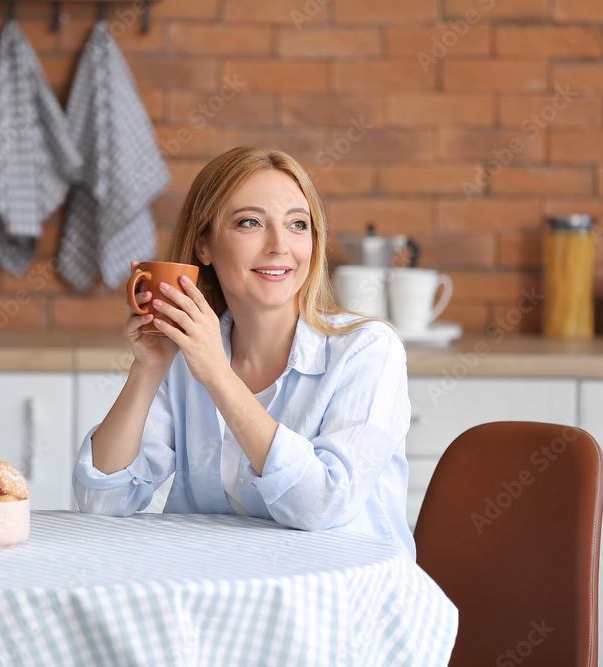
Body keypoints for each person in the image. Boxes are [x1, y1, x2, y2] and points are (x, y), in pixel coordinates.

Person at [73, 146, 418, 560]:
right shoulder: (187, 353)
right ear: (204, 246)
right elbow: (102, 503)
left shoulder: (368, 350)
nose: (279, 246)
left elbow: (322, 501)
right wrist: (148, 368)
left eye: (297, 224)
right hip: (221, 597)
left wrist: (218, 375)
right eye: (250, 223)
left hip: (340, 604)